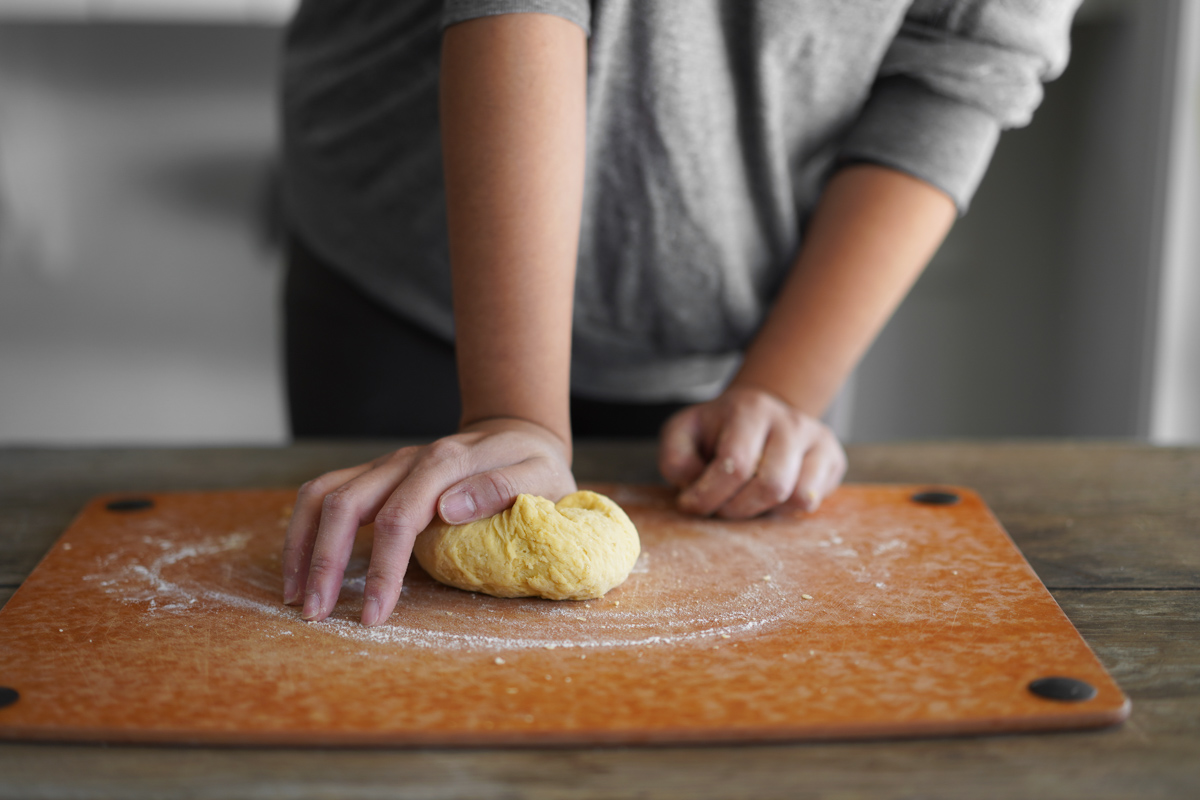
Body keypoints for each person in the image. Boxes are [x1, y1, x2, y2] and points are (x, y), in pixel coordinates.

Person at [278, 0, 1079, 626]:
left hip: (754, 307)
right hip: (419, 271)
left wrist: (783, 391)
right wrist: (510, 408)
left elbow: (966, 61)